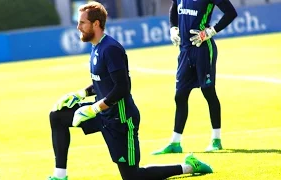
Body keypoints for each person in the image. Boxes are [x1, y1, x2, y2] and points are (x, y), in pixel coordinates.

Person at [48, 1, 213, 180]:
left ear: (96, 24)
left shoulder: (110, 48)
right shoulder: (96, 46)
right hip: (104, 114)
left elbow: (122, 87)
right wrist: (81, 94)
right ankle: (60, 176)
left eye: (82, 23)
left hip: (122, 121)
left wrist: (93, 108)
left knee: (132, 177)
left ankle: (188, 166)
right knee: (57, 116)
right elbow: (103, 82)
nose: (78, 27)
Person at [152, 0, 238, 155]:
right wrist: (173, 28)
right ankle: (175, 143)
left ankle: (216, 140)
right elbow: (174, 8)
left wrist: (210, 32)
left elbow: (231, 13)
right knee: (180, 96)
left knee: (208, 92)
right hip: (184, 51)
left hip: (203, 48)